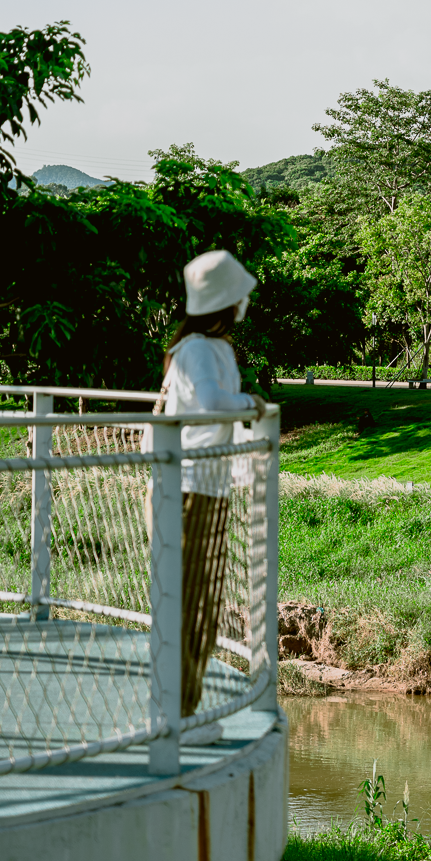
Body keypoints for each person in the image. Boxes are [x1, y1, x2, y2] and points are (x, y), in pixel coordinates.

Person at [144, 250, 266, 718]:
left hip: (205, 489)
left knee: (200, 607)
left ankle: (181, 712)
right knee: (188, 607)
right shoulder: (195, 349)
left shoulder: (211, 347)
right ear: (226, 302)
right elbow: (212, 402)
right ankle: (173, 716)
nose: (245, 304)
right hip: (188, 491)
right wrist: (250, 403)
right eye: (240, 297)